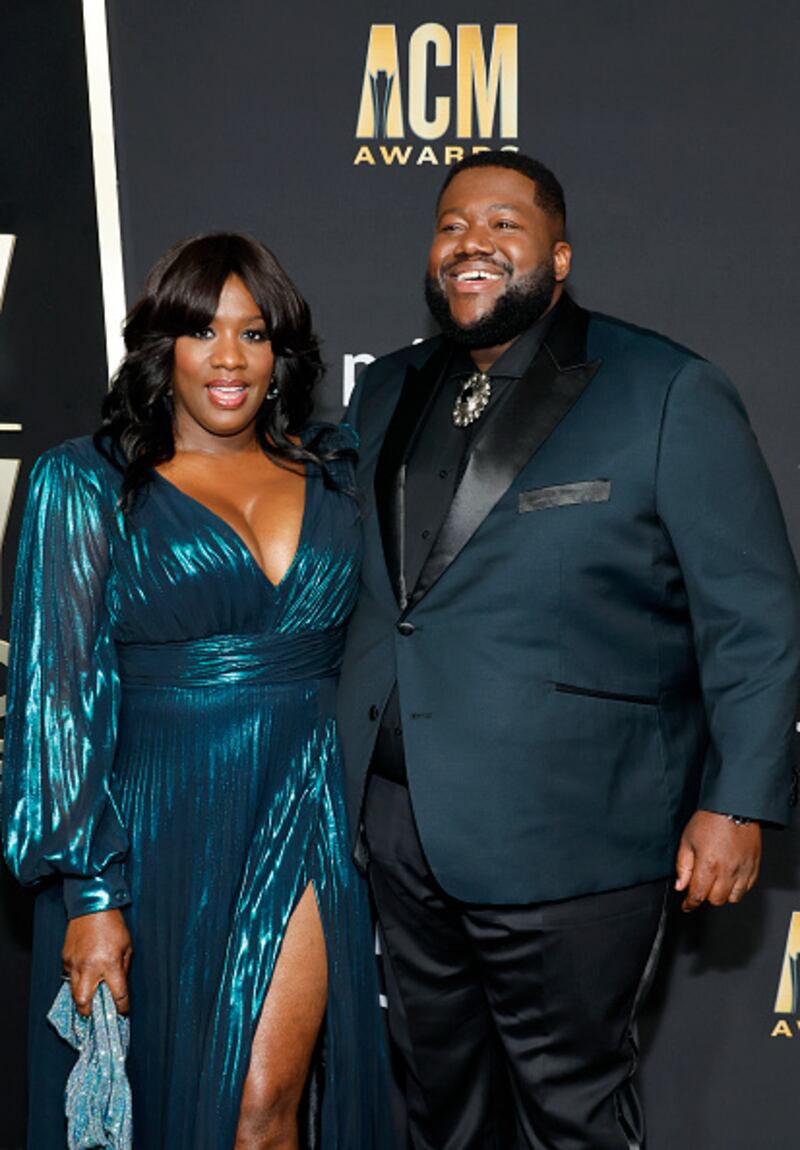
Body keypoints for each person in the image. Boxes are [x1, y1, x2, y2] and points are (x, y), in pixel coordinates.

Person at [337, 151, 800, 1149]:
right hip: (401, 828)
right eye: (452, 224)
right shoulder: (384, 389)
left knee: (571, 1115)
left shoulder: (663, 388)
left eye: (503, 224)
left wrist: (737, 799)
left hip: (575, 829)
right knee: (440, 1113)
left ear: (558, 255)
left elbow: (753, 612)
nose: (471, 242)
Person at [2, 233, 394, 1149]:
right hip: (150, 826)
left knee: (264, 1104)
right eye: (203, 332)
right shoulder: (87, 482)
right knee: (162, 1103)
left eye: (253, 335)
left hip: (307, 803)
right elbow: (59, 698)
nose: (229, 359)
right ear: (162, 347)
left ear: (280, 354)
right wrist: (91, 894)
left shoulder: (338, 475)